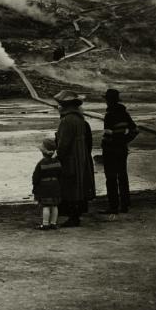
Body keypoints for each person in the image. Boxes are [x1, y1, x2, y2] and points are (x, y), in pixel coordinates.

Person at [53, 90, 95, 227]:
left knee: (70, 185)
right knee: (78, 185)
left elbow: (64, 143)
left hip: (70, 157)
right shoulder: (80, 119)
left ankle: (73, 217)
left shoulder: (66, 120)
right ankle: (75, 215)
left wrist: (57, 156)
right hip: (80, 156)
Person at [99, 88, 139, 214]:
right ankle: (125, 205)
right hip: (122, 148)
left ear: (108, 101)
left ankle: (113, 206)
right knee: (122, 176)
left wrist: (105, 147)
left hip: (111, 150)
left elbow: (108, 136)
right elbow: (135, 130)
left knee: (111, 178)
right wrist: (125, 140)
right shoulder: (124, 113)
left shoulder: (109, 115)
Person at [32, 136, 62, 230]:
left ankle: (45, 224)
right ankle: (53, 223)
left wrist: (35, 186)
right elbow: (60, 173)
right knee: (54, 205)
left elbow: (36, 177)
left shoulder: (41, 163)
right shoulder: (57, 162)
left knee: (46, 206)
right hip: (55, 185)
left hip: (45, 187)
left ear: (43, 152)